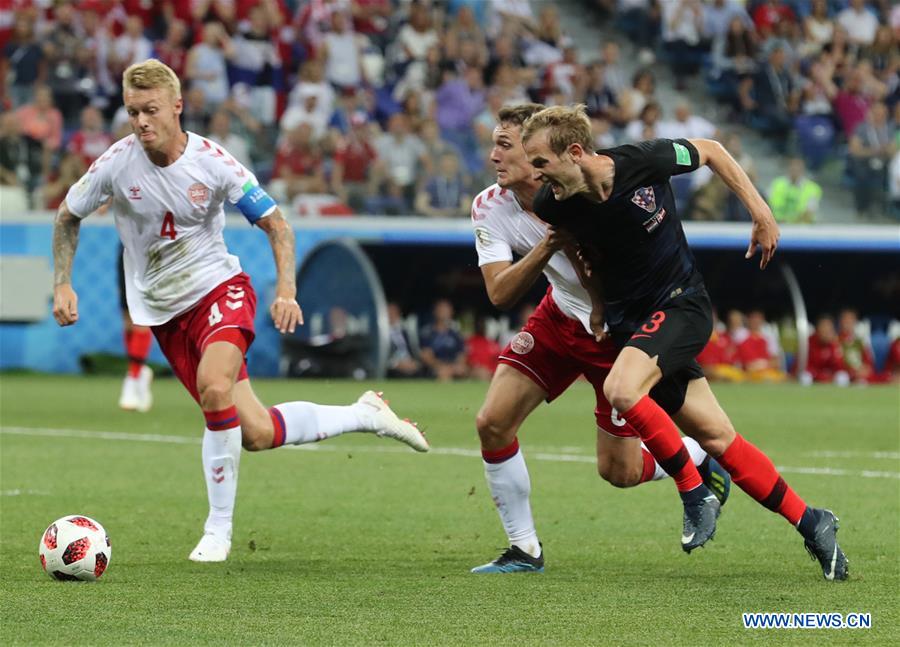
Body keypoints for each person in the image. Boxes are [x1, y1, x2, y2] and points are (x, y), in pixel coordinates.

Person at [51, 59, 428, 564]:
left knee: (214, 385)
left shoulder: (214, 163)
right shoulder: (116, 164)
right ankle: (365, 414)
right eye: (132, 111)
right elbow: (67, 215)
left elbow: (277, 225)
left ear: (177, 106)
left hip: (220, 290)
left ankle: (218, 530)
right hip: (165, 313)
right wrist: (62, 283)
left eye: (151, 110)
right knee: (255, 432)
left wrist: (287, 290)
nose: (141, 121)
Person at [520, 104, 847, 580]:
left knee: (621, 390)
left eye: (542, 163)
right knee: (718, 438)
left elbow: (712, 152)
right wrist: (594, 301)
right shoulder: (553, 203)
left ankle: (694, 493)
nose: (537, 175)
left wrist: (760, 211)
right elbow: (575, 245)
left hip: (681, 305)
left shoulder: (641, 161)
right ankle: (812, 522)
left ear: (575, 152)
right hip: (633, 327)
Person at [469, 104, 729, 574]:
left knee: (620, 472)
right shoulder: (489, 206)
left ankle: (696, 459)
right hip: (557, 317)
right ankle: (523, 549)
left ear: (537, 155)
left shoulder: (595, 190)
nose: (494, 156)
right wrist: (548, 245)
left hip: (613, 332)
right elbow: (499, 292)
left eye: (505, 146)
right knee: (491, 421)